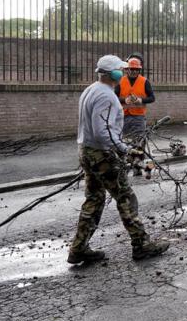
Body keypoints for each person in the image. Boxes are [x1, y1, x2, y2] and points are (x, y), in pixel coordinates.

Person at [68, 54, 169, 264]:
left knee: (94, 199)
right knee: (125, 197)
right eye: (120, 69)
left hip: (86, 150)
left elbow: (98, 130)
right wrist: (124, 149)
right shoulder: (106, 95)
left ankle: (78, 248)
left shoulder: (91, 89)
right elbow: (102, 131)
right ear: (111, 72)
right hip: (101, 154)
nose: (123, 72)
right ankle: (141, 245)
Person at [115, 57, 155, 175]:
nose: (133, 71)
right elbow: (114, 97)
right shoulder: (121, 81)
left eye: (135, 69)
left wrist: (141, 100)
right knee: (126, 143)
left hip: (138, 118)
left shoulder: (144, 81)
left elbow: (152, 98)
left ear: (139, 70)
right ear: (127, 70)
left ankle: (138, 169)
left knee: (139, 144)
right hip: (124, 118)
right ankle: (127, 167)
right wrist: (124, 100)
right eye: (131, 69)